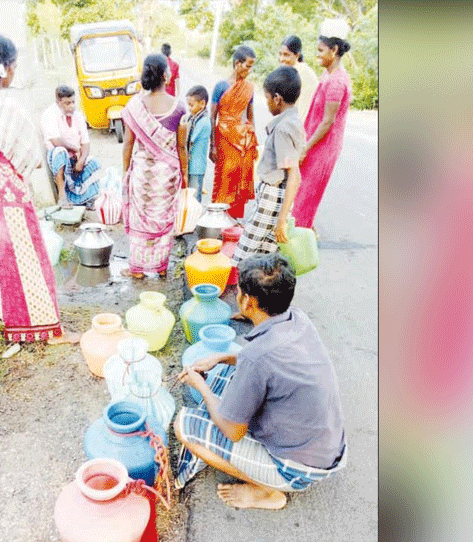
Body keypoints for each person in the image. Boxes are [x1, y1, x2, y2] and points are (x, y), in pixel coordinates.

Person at [173, 253, 347, 510]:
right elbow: (260, 363)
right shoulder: (297, 320)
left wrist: (201, 387)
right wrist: (221, 357)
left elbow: (234, 432)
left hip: (298, 467)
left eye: (239, 291)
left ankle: (270, 490)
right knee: (224, 374)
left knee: (183, 426)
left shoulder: (257, 358)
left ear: (248, 301)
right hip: (325, 447)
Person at [0, 33, 80, 345]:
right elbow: (31, 160)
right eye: (14, 67)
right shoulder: (5, 105)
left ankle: (6, 323)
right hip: (9, 196)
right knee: (29, 259)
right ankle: (47, 328)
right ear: (7, 68)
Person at [120, 53, 188, 279]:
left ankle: (137, 269)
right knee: (164, 219)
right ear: (166, 76)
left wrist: (125, 172)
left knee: (142, 220)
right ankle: (160, 267)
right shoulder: (179, 107)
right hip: (167, 176)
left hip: (143, 175)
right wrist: (184, 176)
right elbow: (181, 148)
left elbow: (128, 144)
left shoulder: (134, 106)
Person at [231, 67, 306, 271]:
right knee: (265, 258)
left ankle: (244, 295)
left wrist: (282, 220)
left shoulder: (283, 128)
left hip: (273, 198)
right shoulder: (292, 122)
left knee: (243, 258)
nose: (266, 104)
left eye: (267, 99)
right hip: (275, 197)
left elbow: (294, 175)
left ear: (277, 99)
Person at [291, 19, 353, 233]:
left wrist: (305, 148)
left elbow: (327, 122)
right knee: (299, 197)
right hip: (312, 144)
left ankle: (299, 248)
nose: (316, 55)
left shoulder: (337, 81)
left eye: (320, 50)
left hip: (322, 149)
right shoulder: (328, 74)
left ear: (334, 50)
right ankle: (302, 237)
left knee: (304, 201)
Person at [210, 45, 258, 220]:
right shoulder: (221, 86)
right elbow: (212, 117)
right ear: (237, 63)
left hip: (242, 140)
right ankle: (218, 219)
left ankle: (232, 220)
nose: (250, 70)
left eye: (252, 66)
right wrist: (212, 145)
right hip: (224, 137)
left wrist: (252, 142)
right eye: (248, 66)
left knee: (239, 180)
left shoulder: (249, 88)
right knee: (224, 178)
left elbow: (250, 118)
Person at [41, 85, 102, 209]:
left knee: (94, 162)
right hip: (60, 161)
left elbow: (85, 142)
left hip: (76, 160)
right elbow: (55, 140)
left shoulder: (78, 116)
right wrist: (74, 148)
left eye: (73, 102)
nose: (71, 106)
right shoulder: (50, 114)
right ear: (58, 102)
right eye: (67, 103)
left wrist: (81, 160)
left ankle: (87, 198)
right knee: (60, 151)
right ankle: (62, 198)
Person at [278, 35, 319, 124]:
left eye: (286, 55)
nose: (281, 59)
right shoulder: (293, 71)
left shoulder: (302, 73)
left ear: (297, 55)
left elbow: (303, 110)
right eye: (280, 54)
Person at [183, 85, 211, 202]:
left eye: (191, 105)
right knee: (189, 196)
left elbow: (189, 141)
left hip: (196, 167)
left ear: (202, 104)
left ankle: (196, 219)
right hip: (192, 165)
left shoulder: (203, 121)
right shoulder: (194, 118)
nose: (189, 108)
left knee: (194, 199)